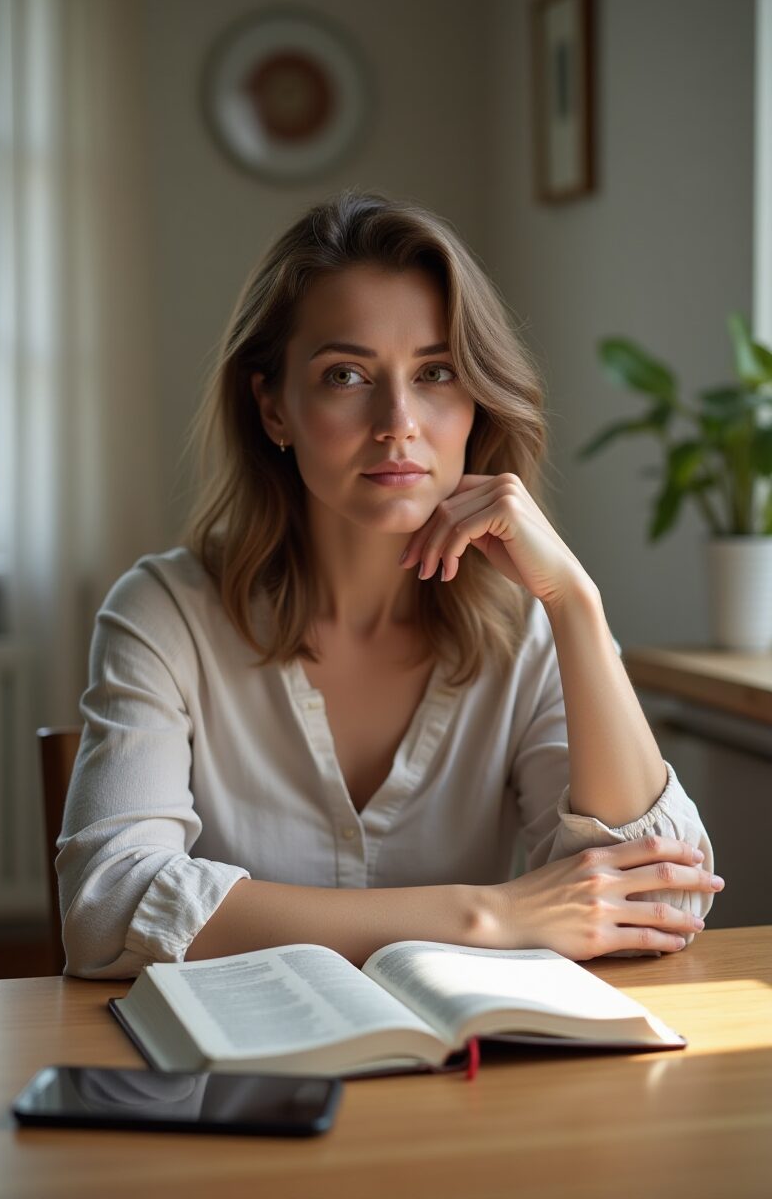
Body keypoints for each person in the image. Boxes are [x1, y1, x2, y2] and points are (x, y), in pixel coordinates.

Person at [57, 187, 721, 979]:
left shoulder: (531, 625)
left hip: (473, 1055)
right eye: (345, 375)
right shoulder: (164, 614)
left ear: (477, 399)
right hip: (243, 1052)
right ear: (273, 408)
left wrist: (576, 607)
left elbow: (662, 902)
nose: (398, 420)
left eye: (437, 371)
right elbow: (107, 908)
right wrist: (491, 915)